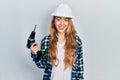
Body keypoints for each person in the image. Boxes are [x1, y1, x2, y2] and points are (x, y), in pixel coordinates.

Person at [30, 3, 84, 80]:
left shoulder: (76, 41)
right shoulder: (46, 41)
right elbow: (42, 64)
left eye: (66, 20)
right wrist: (34, 53)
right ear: (54, 21)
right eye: (58, 19)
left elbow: (80, 70)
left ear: (69, 23)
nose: (62, 23)